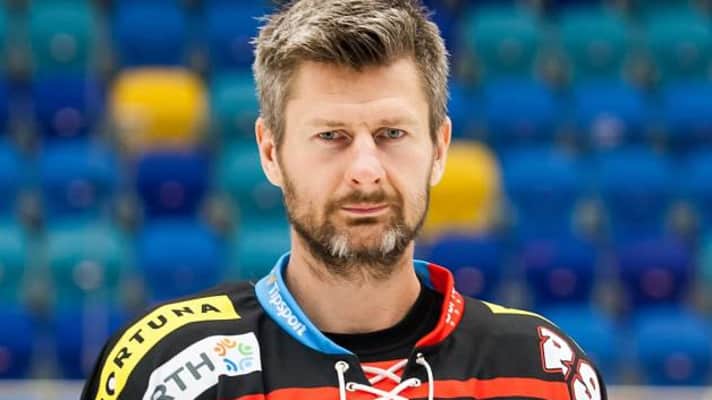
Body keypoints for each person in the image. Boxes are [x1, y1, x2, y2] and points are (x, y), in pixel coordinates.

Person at [82, 1, 606, 399]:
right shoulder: (170, 368)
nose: (365, 170)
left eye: (392, 134)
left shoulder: (543, 371)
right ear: (270, 152)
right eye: (331, 136)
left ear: (439, 148)